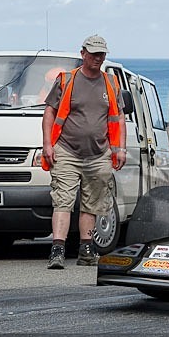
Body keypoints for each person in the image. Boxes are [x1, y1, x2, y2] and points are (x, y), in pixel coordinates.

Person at [42, 34, 126, 270]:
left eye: (102, 54)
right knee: (63, 200)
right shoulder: (66, 80)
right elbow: (49, 113)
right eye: (94, 54)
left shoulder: (111, 83)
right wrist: (47, 144)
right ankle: (57, 250)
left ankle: (86, 249)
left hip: (99, 153)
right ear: (83, 54)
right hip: (67, 151)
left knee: (92, 202)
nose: (98, 58)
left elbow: (119, 117)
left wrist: (119, 149)